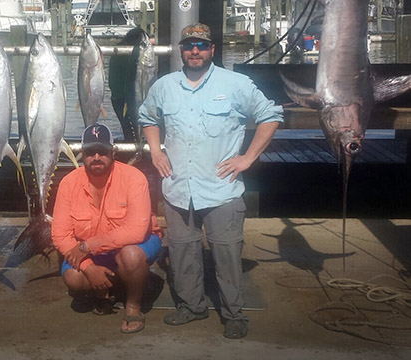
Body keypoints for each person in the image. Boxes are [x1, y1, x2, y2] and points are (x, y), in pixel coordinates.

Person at [138, 23, 283, 339]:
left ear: (212, 50)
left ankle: (234, 313)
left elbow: (271, 116)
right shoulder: (164, 86)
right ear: (180, 50)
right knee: (182, 253)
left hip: (221, 190)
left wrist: (247, 158)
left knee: (227, 255)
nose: (194, 51)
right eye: (189, 45)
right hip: (178, 190)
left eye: (201, 46)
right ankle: (192, 306)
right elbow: (147, 118)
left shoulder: (235, 84)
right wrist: (155, 152)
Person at [51, 123, 162, 334]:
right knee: (73, 277)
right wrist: (89, 268)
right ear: (82, 153)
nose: (96, 157)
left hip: (137, 244)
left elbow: (136, 231)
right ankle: (113, 282)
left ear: (113, 152)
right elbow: (60, 234)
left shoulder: (134, 178)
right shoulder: (68, 183)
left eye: (102, 151)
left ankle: (133, 306)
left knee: (130, 256)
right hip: (92, 252)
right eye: (90, 152)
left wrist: (86, 246)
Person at [108, 28, 144, 142]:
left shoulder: (118, 50)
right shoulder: (131, 53)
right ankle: (136, 148)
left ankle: (132, 147)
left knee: (127, 128)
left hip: (116, 97)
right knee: (134, 126)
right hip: (128, 97)